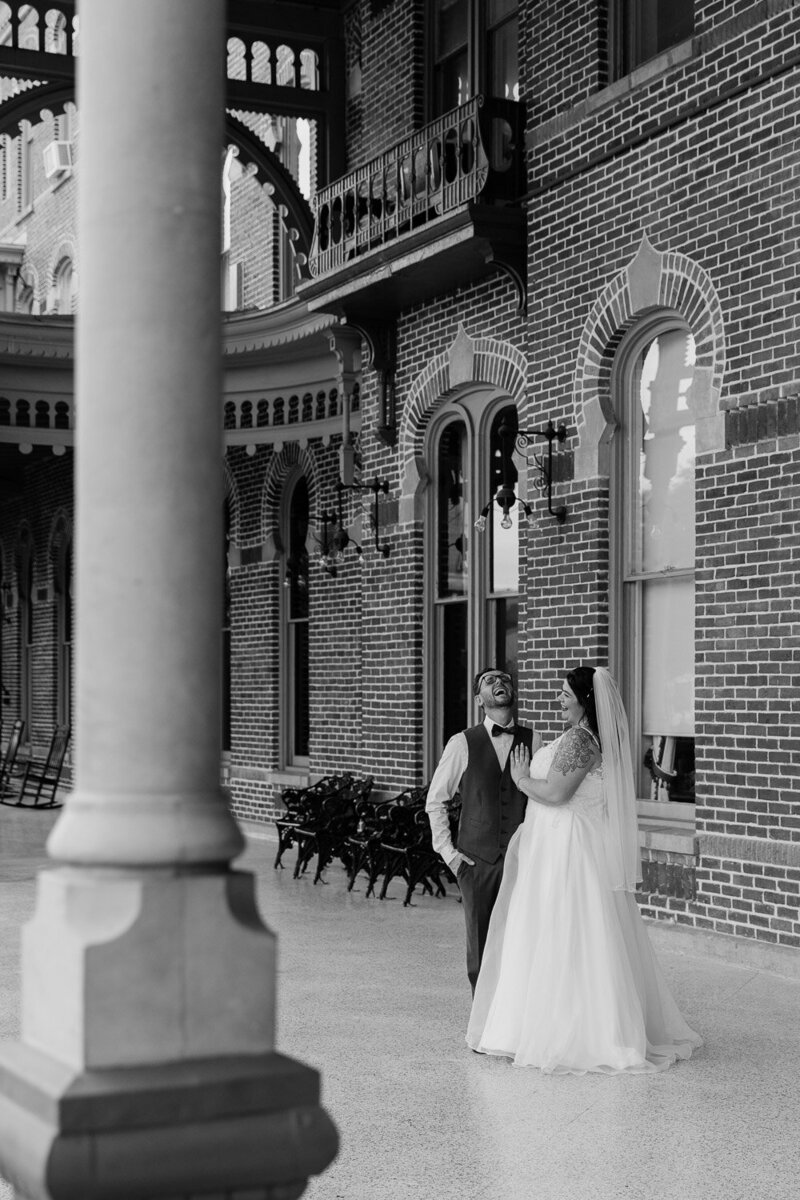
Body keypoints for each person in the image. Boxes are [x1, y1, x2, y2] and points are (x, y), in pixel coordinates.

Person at [466, 665, 702, 1073]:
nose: (559, 699)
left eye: (565, 694)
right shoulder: (578, 737)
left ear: (584, 700)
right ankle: (527, 1025)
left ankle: (575, 1031)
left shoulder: (580, 739)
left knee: (566, 932)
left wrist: (521, 779)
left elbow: (557, 793)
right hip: (555, 843)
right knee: (548, 933)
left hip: (567, 848)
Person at [426, 668, 536, 993]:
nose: (499, 682)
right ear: (479, 700)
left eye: (504, 678)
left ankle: (515, 1019)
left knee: (522, 941)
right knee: (480, 946)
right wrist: (450, 856)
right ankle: (483, 1023)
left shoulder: (534, 740)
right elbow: (436, 801)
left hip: (520, 860)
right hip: (476, 861)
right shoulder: (462, 743)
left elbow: (540, 801)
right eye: (489, 681)